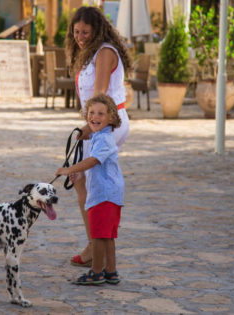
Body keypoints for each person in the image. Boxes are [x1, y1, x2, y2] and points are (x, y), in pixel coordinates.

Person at [65, 6, 131, 266]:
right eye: (77, 31)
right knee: (81, 180)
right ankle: (94, 244)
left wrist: (89, 126)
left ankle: (98, 252)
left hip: (108, 124)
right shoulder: (89, 53)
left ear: (97, 30)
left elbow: (100, 94)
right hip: (97, 123)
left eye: (85, 32)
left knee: (94, 186)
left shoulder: (104, 53)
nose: (80, 36)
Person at [56, 93, 123, 284]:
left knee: (99, 235)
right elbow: (96, 165)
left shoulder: (103, 139)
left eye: (101, 114)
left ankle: (96, 272)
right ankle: (111, 271)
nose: (95, 117)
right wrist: (80, 175)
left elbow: (93, 160)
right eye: (91, 113)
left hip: (103, 195)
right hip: (111, 193)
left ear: (111, 118)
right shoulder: (99, 136)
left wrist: (70, 169)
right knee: (108, 235)